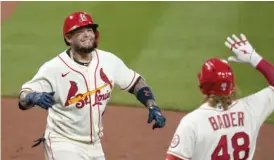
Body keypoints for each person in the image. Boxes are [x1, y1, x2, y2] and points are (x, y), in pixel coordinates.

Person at [18, 11, 166, 160]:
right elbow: (23, 98)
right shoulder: (54, 68)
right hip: (62, 142)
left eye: (89, 30)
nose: (87, 34)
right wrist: (33, 96)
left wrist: (152, 105)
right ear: (69, 38)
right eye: (80, 31)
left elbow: (136, 83)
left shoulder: (108, 61)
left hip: (94, 145)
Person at [166, 33, 274, 160]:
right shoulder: (251, 109)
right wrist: (255, 59)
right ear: (232, 85)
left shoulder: (192, 122)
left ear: (203, 87)